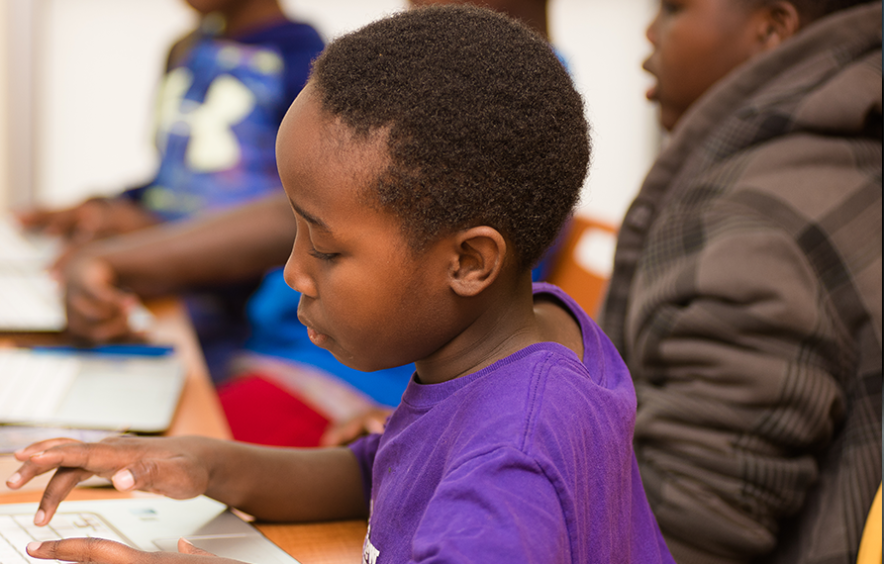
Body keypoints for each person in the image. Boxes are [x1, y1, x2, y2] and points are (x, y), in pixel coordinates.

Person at [7, 6, 676, 563]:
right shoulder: (514, 340)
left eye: (324, 248)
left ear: (469, 262)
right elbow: (375, 473)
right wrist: (200, 463)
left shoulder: (510, 465)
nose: (294, 270)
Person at [50, 0, 560, 448]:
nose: (294, 270)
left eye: (325, 248)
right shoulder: (426, 70)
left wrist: (120, 256)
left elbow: (304, 210)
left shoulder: (500, 100)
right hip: (293, 347)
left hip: (347, 382)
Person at [599, 1, 882, 563]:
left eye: (676, 8)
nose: (651, 32)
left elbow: (679, 538)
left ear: (772, 29)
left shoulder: (752, 222)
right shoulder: (848, 157)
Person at [17, 0, 325, 377]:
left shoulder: (307, 65)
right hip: (161, 293)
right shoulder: (185, 50)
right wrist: (103, 208)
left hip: (235, 319)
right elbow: (176, 177)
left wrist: (149, 236)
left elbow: (293, 221)